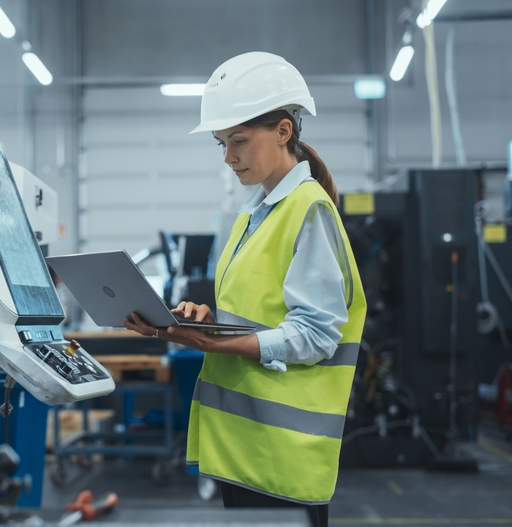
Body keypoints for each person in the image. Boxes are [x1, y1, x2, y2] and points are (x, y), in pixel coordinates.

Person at [122, 52, 367, 527]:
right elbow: (262, 313)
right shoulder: (252, 216)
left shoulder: (307, 210)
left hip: (282, 458)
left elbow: (317, 335)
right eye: (221, 143)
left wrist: (213, 342)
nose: (229, 157)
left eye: (238, 141)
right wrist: (208, 322)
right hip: (245, 450)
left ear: (283, 131)